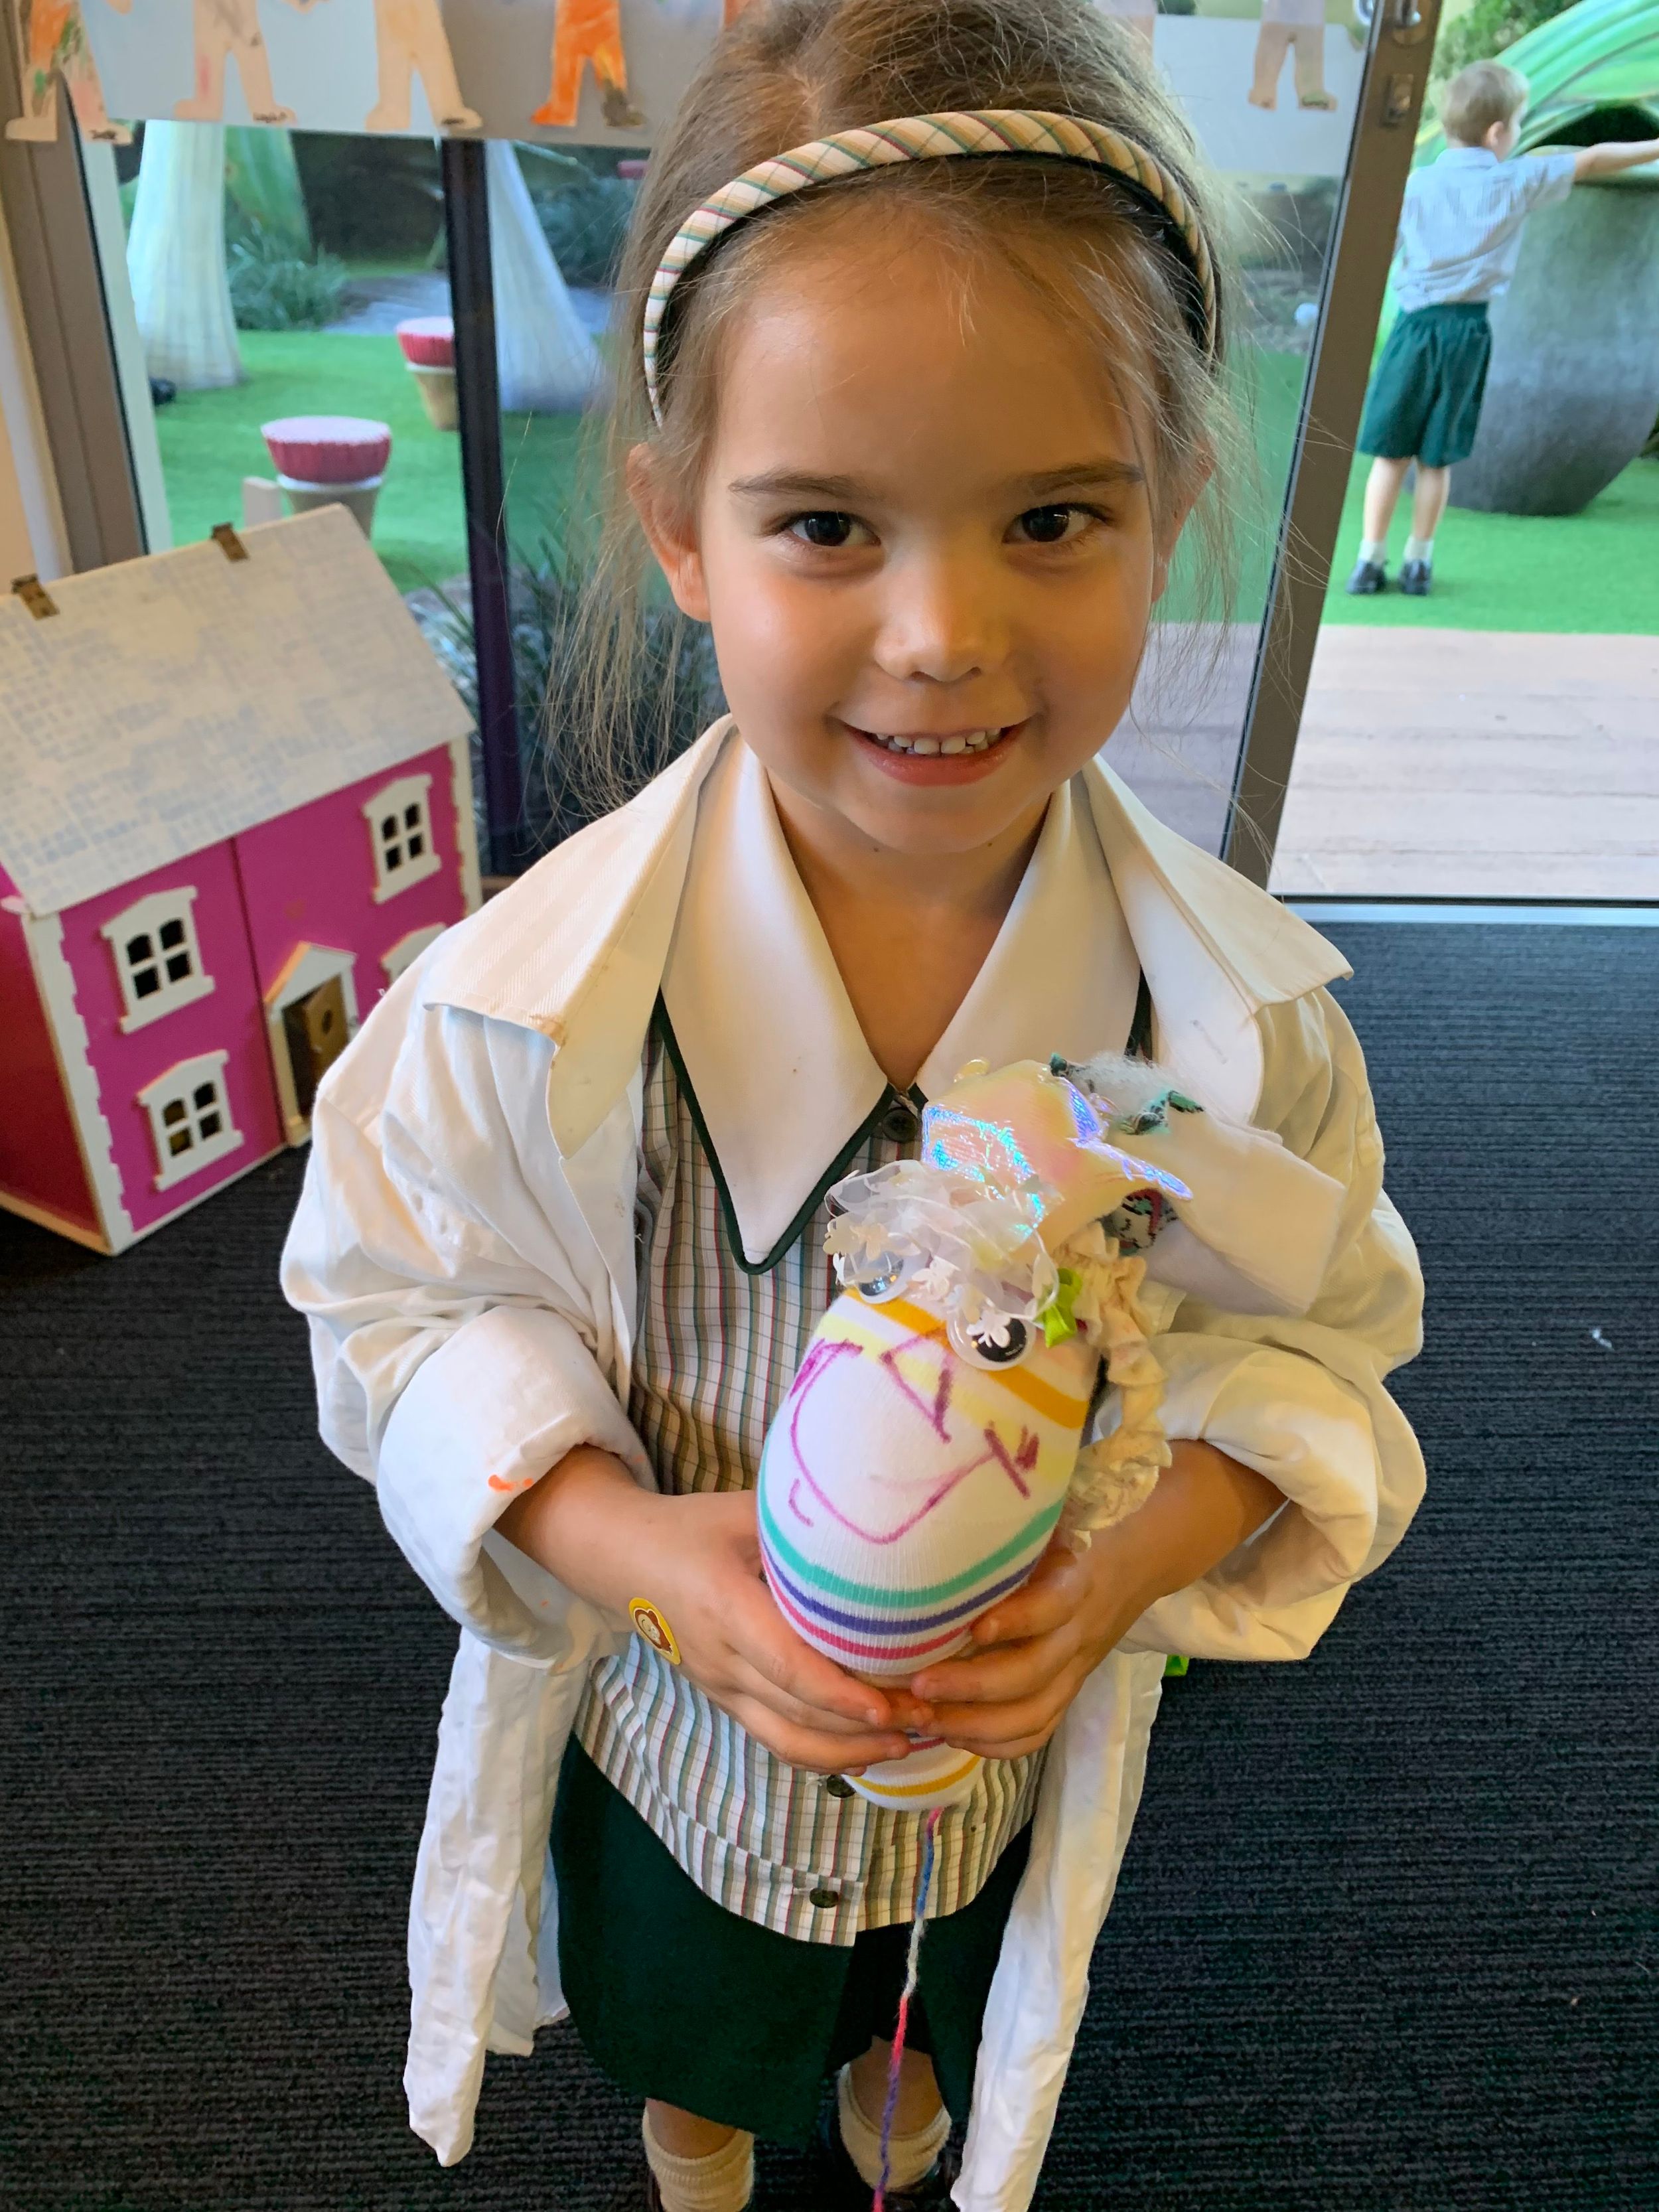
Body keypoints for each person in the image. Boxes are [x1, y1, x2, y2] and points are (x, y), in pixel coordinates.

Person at [281, 3, 1427, 2207]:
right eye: (823, 523)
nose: (937, 632)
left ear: (1171, 509)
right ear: (677, 530)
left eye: (1052, 517)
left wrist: (1133, 1560)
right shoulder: (514, 1018)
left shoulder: (1236, 1037)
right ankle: (699, 2123)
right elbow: (392, 1310)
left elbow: (1322, 1345)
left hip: (986, 1750)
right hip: (684, 1737)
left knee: (934, 1959)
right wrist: (625, 1548)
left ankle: (891, 2056)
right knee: (692, 1996)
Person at [1348, 60, 1659, 598]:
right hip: (1467, 334)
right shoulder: (1517, 181)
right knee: (1437, 459)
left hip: (1413, 332)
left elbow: (1379, 255)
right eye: (1517, 124)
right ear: (1497, 133)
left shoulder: (1416, 185)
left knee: (1390, 454)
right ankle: (1419, 561)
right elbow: (1592, 160)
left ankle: (1369, 559)